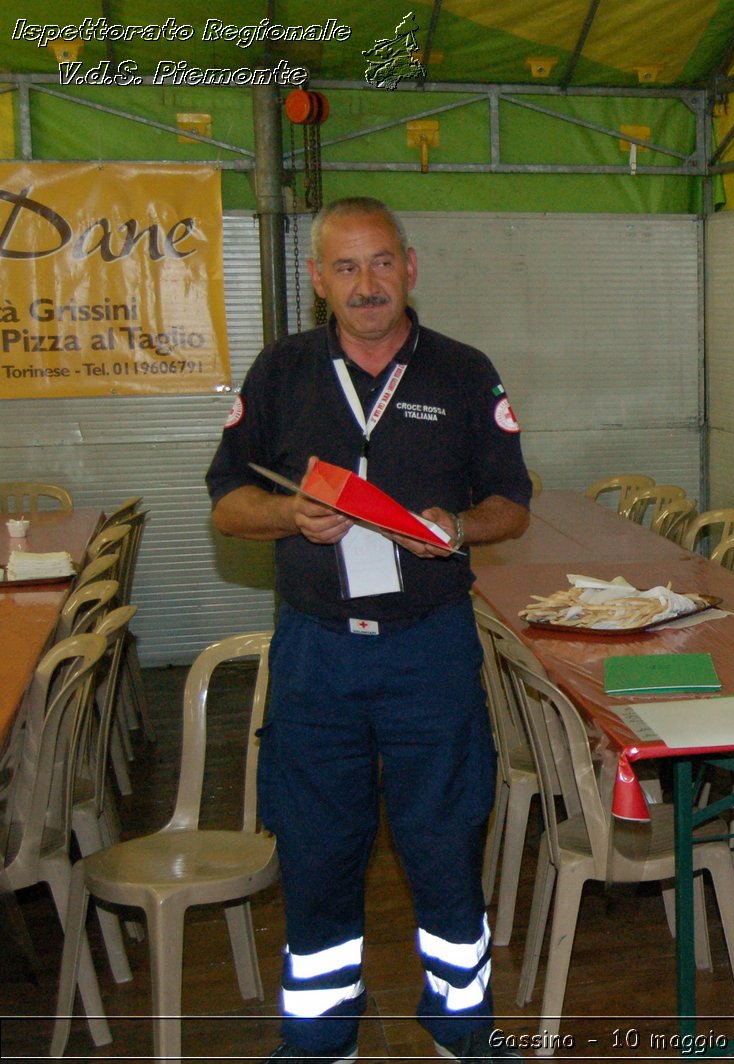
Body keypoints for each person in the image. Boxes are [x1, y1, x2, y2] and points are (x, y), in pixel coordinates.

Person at [206, 197, 533, 1064]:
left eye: (381, 262)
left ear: (411, 266)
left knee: (447, 840)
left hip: (431, 646)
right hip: (317, 650)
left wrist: (457, 526)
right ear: (318, 281)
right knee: (316, 848)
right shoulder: (281, 372)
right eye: (345, 268)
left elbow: (513, 503)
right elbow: (226, 503)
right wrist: (286, 514)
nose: (367, 284)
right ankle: (319, 1041)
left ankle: (463, 1026)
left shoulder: (463, 373)